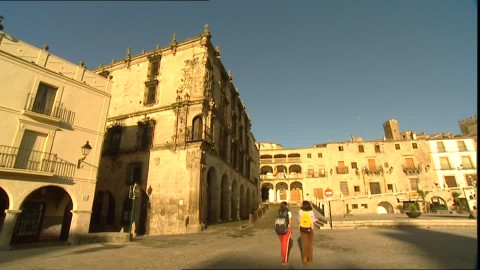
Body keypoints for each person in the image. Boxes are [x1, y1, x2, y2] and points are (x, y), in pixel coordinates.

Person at [298, 200, 316, 265]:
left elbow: (299, 219)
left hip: (302, 229)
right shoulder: (311, 212)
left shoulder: (300, 212)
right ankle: (310, 258)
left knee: (304, 244)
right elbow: (313, 220)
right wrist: (315, 220)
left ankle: (304, 257)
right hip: (310, 228)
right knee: (309, 243)